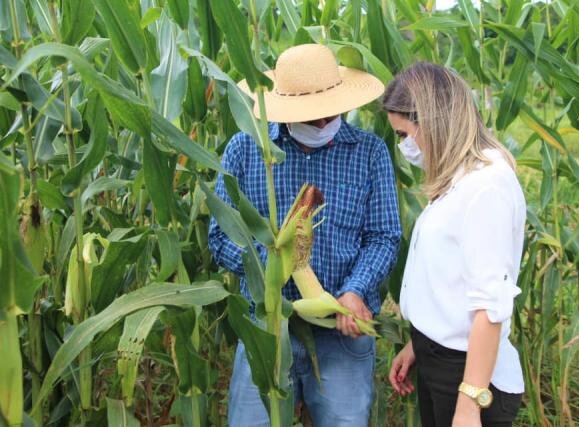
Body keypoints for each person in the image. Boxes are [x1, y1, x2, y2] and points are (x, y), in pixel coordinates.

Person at [208, 44, 401, 427]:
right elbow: (220, 236)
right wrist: (275, 266)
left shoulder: (370, 152)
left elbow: (384, 236)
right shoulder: (248, 150)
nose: (322, 122)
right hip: (266, 327)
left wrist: (355, 290)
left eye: (329, 112)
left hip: (340, 331)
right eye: (310, 116)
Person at [384, 62, 525, 426]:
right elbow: (452, 279)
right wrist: (419, 343)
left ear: (432, 122)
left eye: (403, 134)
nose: (403, 147)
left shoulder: (486, 186)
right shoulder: (460, 178)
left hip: (465, 375)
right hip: (441, 361)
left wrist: (469, 404)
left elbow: (491, 307)